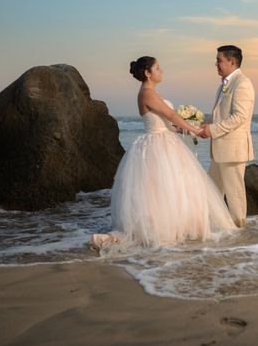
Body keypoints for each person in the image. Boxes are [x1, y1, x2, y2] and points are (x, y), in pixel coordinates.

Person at [89, 56, 236, 252]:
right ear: (148, 73)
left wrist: (185, 128)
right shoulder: (147, 93)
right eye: (157, 68)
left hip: (164, 140)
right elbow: (172, 115)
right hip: (158, 144)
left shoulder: (150, 92)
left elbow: (169, 122)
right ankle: (161, 231)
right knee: (162, 189)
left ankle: (175, 227)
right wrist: (195, 130)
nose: (162, 71)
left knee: (172, 188)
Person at [199, 45, 255, 227]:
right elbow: (219, 115)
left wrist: (212, 130)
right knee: (212, 192)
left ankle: (241, 237)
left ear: (231, 62)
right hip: (220, 151)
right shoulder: (224, 84)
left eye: (219, 60)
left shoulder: (242, 83)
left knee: (235, 196)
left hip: (232, 151)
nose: (216, 64)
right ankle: (215, 232)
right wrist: (198, 122)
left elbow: (239, 117)